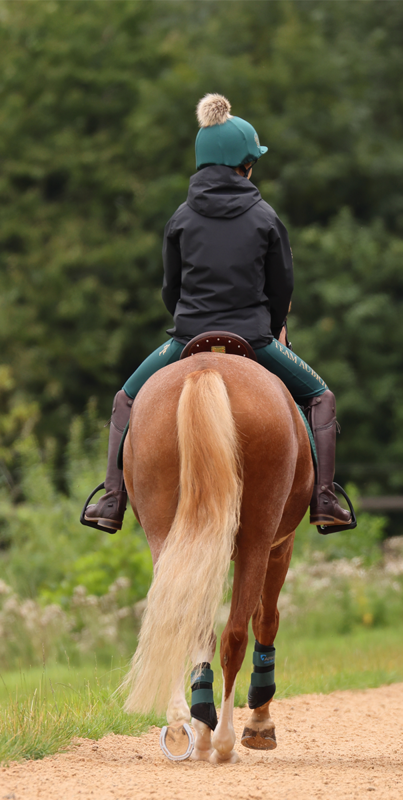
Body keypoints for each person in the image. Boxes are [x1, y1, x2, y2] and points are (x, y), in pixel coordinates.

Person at [82, 94, 353, 532]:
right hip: (256, 339)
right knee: (322, 396)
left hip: (187, 338)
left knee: (125, 399)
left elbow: (171, 290)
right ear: (245, 164)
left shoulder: (180, 218)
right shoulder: (265, 217)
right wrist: (272, 328)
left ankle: (112, 499)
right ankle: (324, 499)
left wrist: (187, 322)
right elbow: (282, 287)